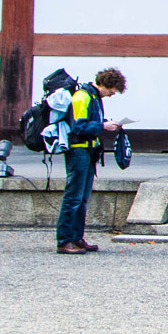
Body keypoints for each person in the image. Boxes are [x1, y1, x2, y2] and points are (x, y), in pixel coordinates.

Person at [56, 67, 125, 255]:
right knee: (73, 196)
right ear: (104, 84)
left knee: (82, 198)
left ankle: (76, 238)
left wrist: (103, 125)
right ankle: (64, 240)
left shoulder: (94, 97)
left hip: (88, 150)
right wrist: (103, 125)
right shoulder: (83, 96)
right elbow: (78, 126)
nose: (111, 95)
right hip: (78, 150)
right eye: (111, 91)